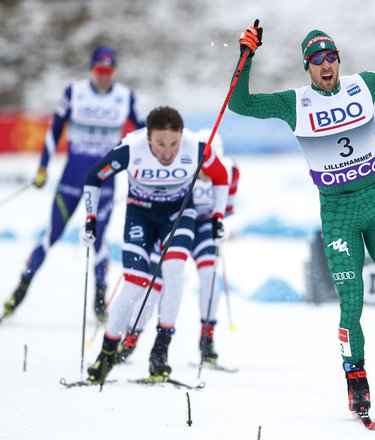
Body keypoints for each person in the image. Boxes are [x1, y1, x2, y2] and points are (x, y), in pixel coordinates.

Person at [229, 1, 375, 417]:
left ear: (339, 60)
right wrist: (245, 57)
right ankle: (356, 383)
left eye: (330, 57)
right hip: (338, 213)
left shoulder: (365, 85)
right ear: (306, 67)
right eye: (316, 60)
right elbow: (241, 104)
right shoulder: (295, 103)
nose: (325, 65)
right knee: (352, 303)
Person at [81, 107, 229, 383]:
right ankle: (106, 353)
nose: (167, 151)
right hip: (140, 214)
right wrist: (90, 217)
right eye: (160, 143)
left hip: (178, 213)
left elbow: (221, 177)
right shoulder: (130, 149)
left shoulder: (196, 148)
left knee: (174, 274)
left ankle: (160, 352)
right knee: (135, 285)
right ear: (148, 138)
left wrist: (219, 216)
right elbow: (94, 177)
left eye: (173, 143)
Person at [2, 46, 143, 323]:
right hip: (72, 178)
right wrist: (42, 167)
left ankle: (100, 305)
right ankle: (17, 294)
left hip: (104, 182)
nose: (104, 76)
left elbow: (141, 133)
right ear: (92, 69)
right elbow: (54, 131)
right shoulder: (74, 92)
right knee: (50, 236)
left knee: (100, 242)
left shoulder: (125, 97)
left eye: (109, 71)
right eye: (99, 70)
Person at [113, 129, 240, 367]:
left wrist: (219, 223)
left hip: (202, 228)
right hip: (176, 225)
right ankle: (130, 339)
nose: (204, 174)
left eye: (208, 170)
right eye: (200, 169)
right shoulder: (182, 161)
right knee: (154, 286)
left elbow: (228, 206)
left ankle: (206, 341)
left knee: (210, 278)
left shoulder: (230, 169)